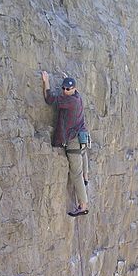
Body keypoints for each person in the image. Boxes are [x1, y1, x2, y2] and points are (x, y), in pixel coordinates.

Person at [41, 71, 89, 217]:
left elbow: (49, 99)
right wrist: (67, 79)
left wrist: (46, 82)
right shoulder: (77, 96)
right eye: (64, 89)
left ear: (73, 89)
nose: (65, 91)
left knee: (76, 174)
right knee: (83, 156)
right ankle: (86, 178)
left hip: (73, 141)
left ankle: (83, 205)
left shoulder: (70, 101)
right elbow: (71, 88)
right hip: (82, 137)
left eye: (68, 89)